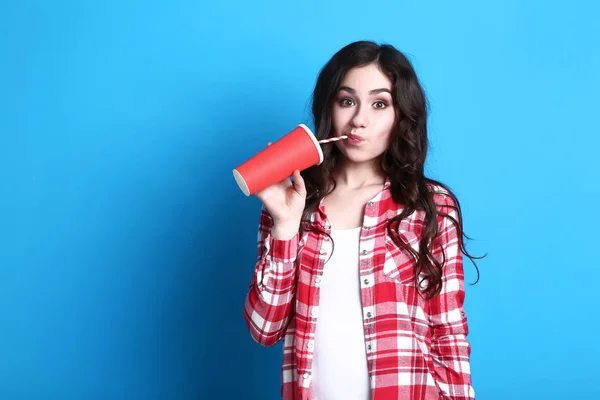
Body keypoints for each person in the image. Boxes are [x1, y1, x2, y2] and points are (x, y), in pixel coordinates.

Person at [243, 40, 482, 400]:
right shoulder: (295, 201)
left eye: (380, 103)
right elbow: (265, 328)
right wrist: (286, 226)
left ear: (401, 114)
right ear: (330, 107)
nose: (359, 120)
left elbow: (447, 330)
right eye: (347, 100)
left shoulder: (430, 206)